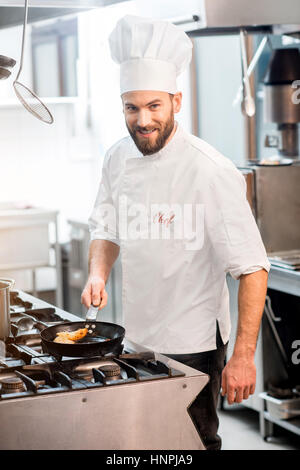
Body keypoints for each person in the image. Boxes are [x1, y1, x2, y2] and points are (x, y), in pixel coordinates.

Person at [81, 15, 270, 450]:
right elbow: (106, 227)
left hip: (193, 342)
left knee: (190, 444)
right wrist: (98, 274)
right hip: (137, 334)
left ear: (176, 101)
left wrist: (242, 357)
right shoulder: (117, 159)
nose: (142, 120)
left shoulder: (210, 170)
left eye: (154, 106)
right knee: (143, 444)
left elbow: (253, 268)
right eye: (132, 107)